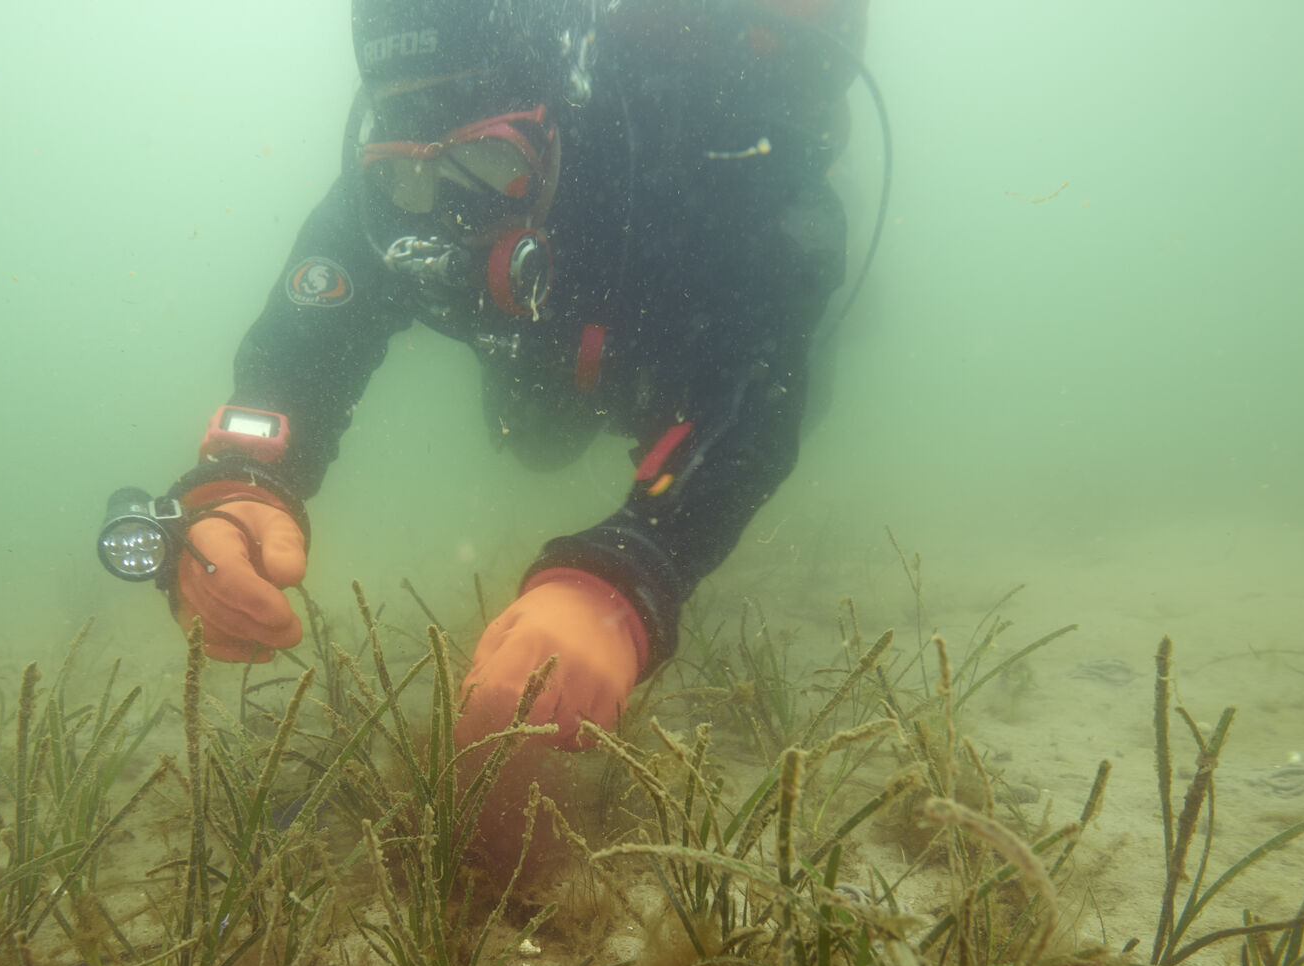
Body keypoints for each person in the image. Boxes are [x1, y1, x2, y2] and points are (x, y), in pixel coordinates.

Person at [140, 0, 866, 773]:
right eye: (408, 177)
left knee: (772, 395)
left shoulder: (705, 170)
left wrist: (623, 575)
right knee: (533, 441)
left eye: (487, 165)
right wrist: (245, 477)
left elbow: (752, 402)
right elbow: (301, 342)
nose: (444, 220)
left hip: (678, 341)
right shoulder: (385, 182)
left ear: (562, 121)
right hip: (541, 360)